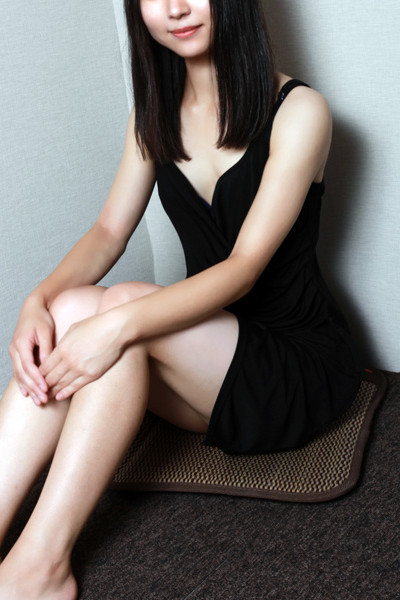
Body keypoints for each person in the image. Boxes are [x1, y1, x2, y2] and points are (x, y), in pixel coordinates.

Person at [0, 0, 363, 598]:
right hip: (203, 370)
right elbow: (108, 233)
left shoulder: (300, 111)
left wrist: (117, 325)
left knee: (119, 313)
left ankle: (40, 567)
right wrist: (34, 302)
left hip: (292, 367)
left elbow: (244, 269)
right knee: (68, 311)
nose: (175, 8)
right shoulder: (154, 114)